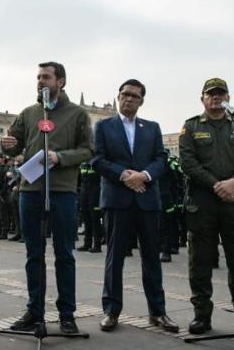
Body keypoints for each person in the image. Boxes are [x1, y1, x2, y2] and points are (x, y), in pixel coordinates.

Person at [1, 61, 93, 334]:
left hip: (62, 191)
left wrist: (60, 157)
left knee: (64, 254)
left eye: (46, 77)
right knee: (33, 253)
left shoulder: (77, 114)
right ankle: (34, 311)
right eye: (38, 77)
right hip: (30, 190)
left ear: (60, 82)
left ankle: (67, 314)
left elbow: (88, 149)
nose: (40, 81)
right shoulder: (29, 113)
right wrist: (8, 146)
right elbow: (14, 144)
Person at [179, 78, 234, 339]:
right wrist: (217, 184)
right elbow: (188, 162)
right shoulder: (191, 126)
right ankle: (202, 316)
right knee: (200, 263)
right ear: (202, 98)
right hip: (203, 203)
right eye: (211, 94)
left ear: (227, 96)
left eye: (221, 93)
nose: (216, 98)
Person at [93, 79, 178, 333]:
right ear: (118, 97)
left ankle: (158, 312)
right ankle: (111, 311)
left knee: (152, 257)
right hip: (117, 200)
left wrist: (144, 176)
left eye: (134, 96)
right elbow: (97, 159)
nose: (128, 99)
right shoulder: (104, 126)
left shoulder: (151, 128)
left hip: (147, 200)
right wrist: (125, 176)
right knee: (114, 258)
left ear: (141, 101)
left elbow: (161, 159)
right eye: (124, 94)